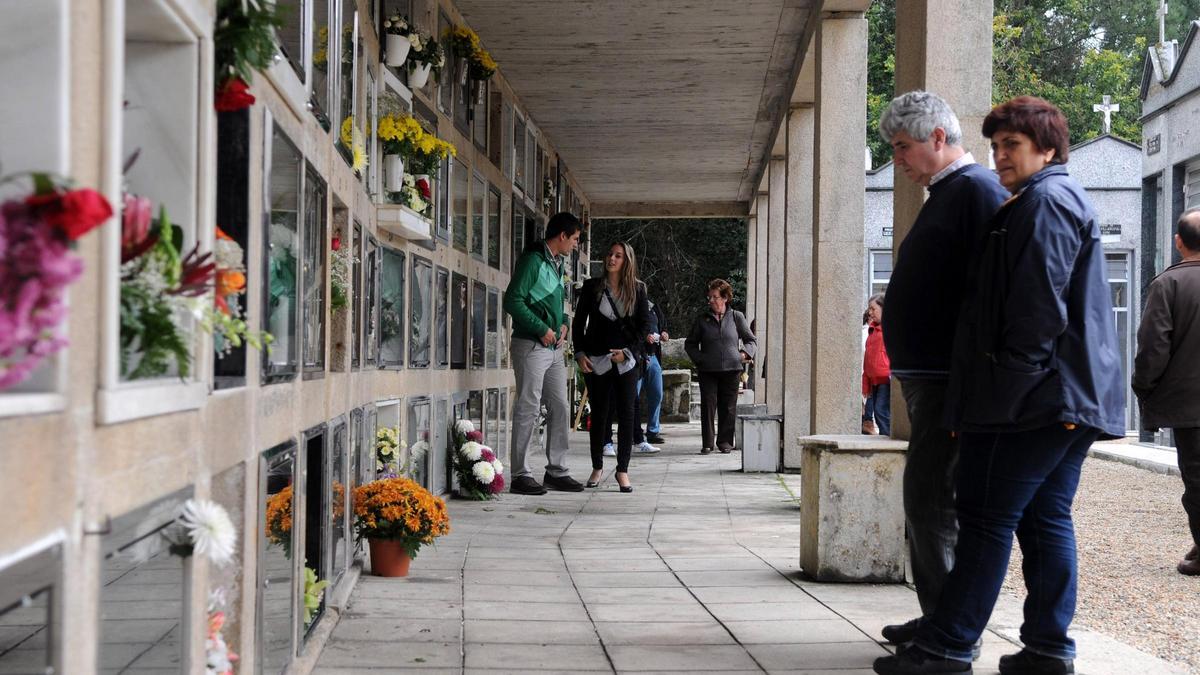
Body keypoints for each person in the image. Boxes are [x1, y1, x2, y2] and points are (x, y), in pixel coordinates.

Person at [874, 96, 1125, 675]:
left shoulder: (1045, 203)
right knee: (1042, 521)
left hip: (1036, 399)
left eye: (1011, 145)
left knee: (985, 518)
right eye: (995, 145)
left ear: (1048, 148)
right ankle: (1045, 648)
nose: (1000, 157)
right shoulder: (1042, 199)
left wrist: (997, 401)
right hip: (1055, 395)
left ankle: (951, 643)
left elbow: (1035, 312)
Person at [874, 90, 1010, 651]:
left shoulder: (974, 192)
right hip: (932, 378)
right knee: (926, 500)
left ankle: (951, 630)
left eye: (902, 147)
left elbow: (989, 293)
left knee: (932, 502)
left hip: (948, 381)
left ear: (937, 138)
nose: (897, 160)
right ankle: (941, 619)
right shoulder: (950, 193)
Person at [1133, 208, 1200, 576]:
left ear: (1178, 243)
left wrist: (1144, 387)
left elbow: (1153, 346)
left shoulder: (1167, 285)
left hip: (1190, 405)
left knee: (1197, 478)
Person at [503, 212, 585, 495]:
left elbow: (559, 304)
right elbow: (512, 299)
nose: (576, 245)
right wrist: (540, 328)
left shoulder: (556, 262)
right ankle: (521, 474)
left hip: (553, 346)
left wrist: (563, 324)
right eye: (574, 239)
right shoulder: (533, 260)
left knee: (561, 406)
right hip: (531, 344)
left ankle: (557, 471)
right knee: (529, 406)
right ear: (562, 236)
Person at [573, 241, 651, 493]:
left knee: (628, 415)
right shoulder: (592, 287)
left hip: (626, 361)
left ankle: (622, 470)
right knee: (599, 415)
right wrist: (580, 352)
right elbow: (578, 323)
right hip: (597, 359)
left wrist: (627, 353)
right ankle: (597, 465)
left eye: (618, 256)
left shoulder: (638, 290)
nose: (612, 259)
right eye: (609, 254)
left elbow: (643, 329)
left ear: (626, 261)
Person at [685, 279, 756, 455]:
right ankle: (707, 443)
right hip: (707, 370)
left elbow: (751, 340)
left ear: (725, 298)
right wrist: (700, 359)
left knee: (729, 407)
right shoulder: (702, 319)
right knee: (708, 406)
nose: (711, 300)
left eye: (715, 297)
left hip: (732, 370)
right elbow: (690, 344)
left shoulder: (736, 317)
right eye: (709, 297)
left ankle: (725, 442)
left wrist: (744, 354)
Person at [600, 297, 666, 455]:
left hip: (634, 355)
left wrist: (636, 350)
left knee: (633, 400)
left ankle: (639, 439)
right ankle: (606, 442)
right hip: (610, 353)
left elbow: (644, 329)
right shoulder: (609, 300)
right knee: (610, 399)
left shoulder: (647, 305)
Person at [862, 294, 891, 436]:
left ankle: (889, 439)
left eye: (873, 309)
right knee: (878, 412)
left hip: (886, 379)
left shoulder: (889, 330)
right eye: (869, 309)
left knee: (880, 411)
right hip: (874, 380)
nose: (870, 312)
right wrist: (866, 383)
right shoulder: (872, 331)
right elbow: (867, 361)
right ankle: (886, 438)